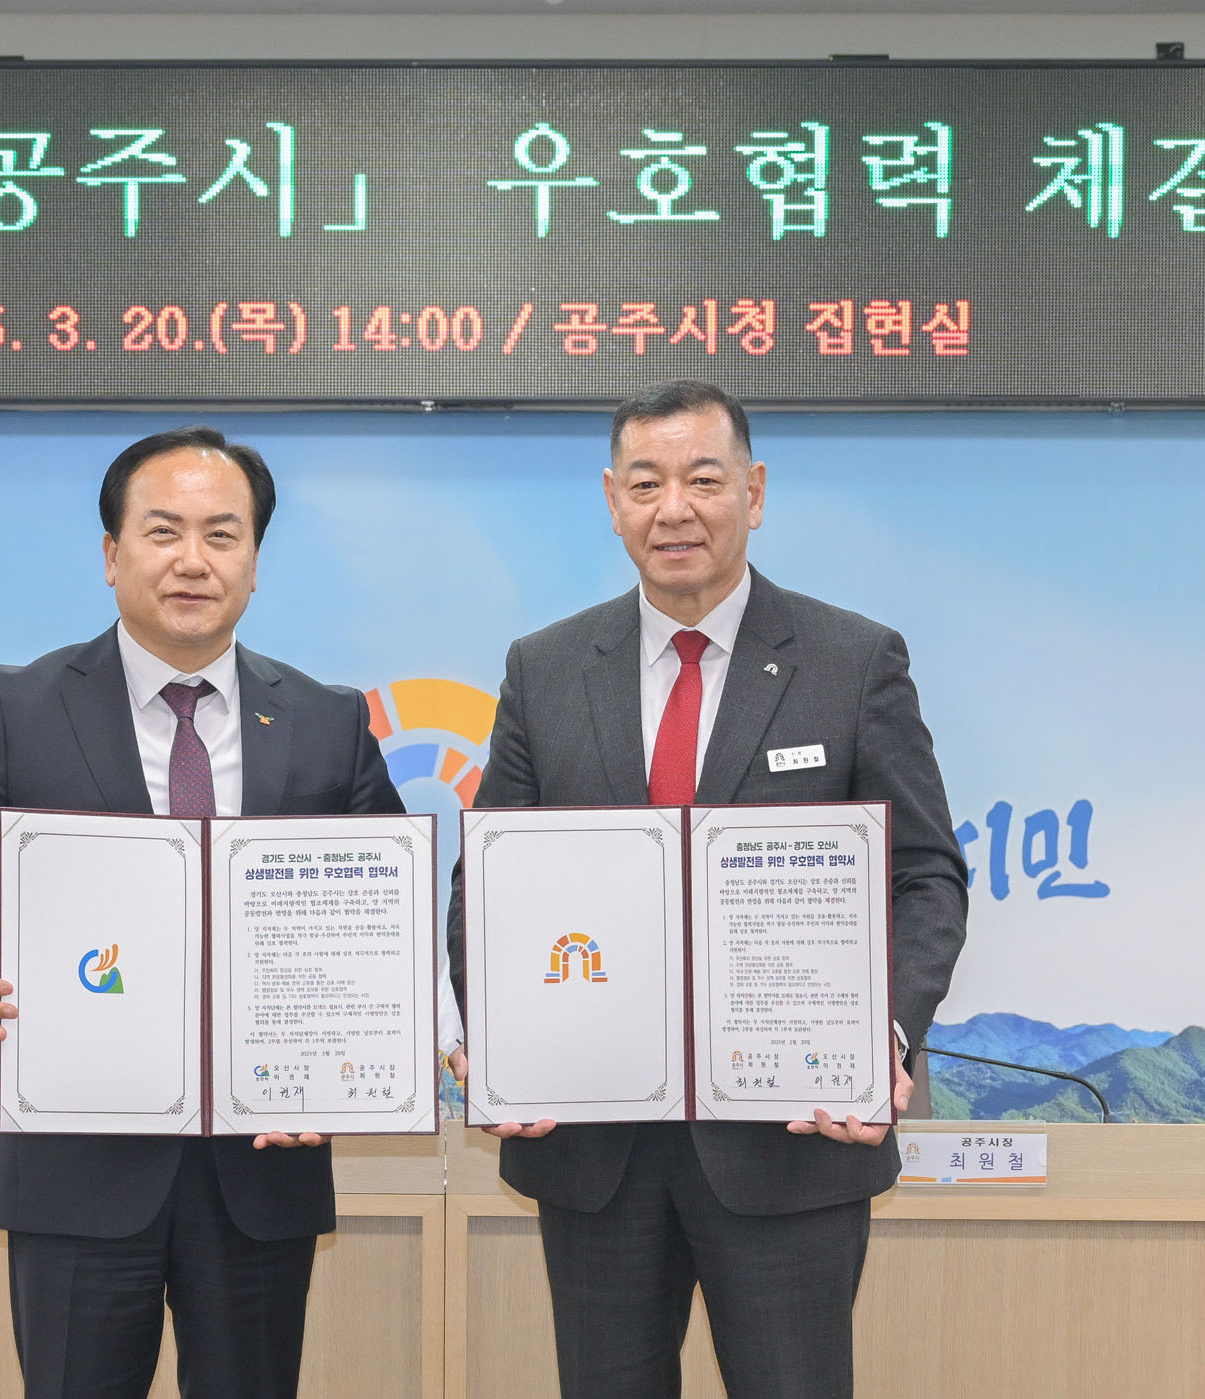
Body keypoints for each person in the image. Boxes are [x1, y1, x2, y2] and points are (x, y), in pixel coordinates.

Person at [0, 425, 456, 1399]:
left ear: (255, 562)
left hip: (262, 1171)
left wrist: (363, 1065)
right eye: (163, 531)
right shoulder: (19, 706)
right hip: (75, 1171)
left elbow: (386, 920)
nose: (193, 559)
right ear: (113, 554)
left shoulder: (326, 720)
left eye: (222, 534)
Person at [448, 381, 967, 1399]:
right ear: (612, 500)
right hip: (595, 1149)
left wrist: (887, 1034)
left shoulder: (853, 660)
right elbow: (490, 882)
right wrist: (500, 1041)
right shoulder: (545, 669)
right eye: (645, 484)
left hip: (793, 1141)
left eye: (703, 479)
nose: (673, 509)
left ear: (754, 492)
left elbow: (925, 875)